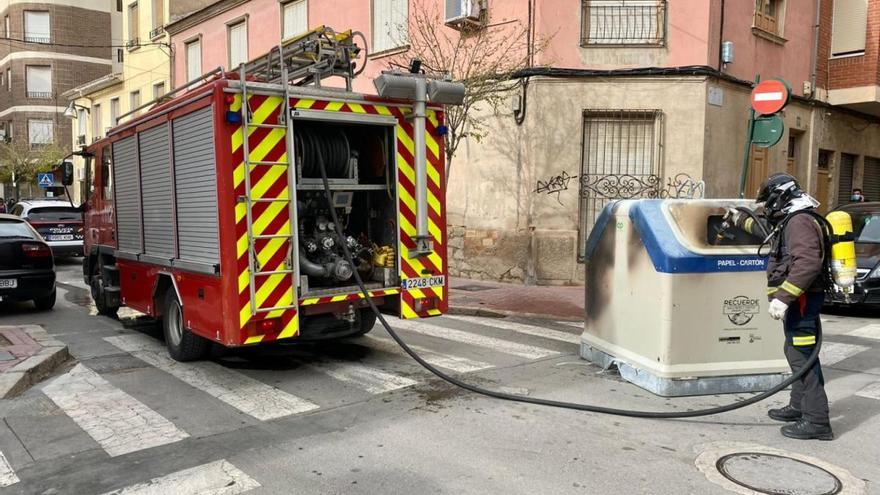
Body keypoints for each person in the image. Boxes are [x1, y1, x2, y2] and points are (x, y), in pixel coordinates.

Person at [727, 172, 833, 441]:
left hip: (801, 299)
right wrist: (737, 219)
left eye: (769, 202)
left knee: (802, 354)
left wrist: (784, 297)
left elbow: (807, 262)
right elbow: (765, 229)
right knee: (794, 349)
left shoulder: (799, 222)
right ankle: (798, 407)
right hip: (799, 300)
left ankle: (817, 420)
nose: (768, 207)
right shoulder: (792, 218)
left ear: (780, 197)